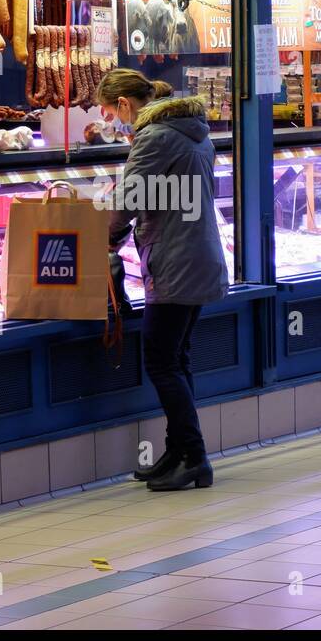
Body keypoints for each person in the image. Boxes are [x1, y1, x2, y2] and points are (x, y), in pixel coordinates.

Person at [98, 68, 229, 491]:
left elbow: (131, 197)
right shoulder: (192, 131)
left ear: (124, 104)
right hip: (197, 253)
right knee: (177, 359)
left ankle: (194, 457)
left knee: (160, 360)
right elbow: (160, 193)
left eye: (109, 112)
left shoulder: (154, 136)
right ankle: (179, 452)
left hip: (175, 260)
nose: (111, 121)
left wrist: (102, 235)